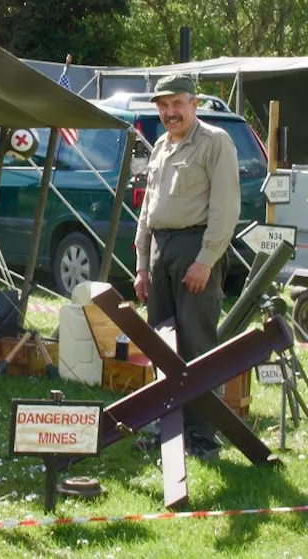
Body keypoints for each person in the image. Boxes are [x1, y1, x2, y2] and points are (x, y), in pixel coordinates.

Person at [133, 74, 241, 459]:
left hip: (196, 249)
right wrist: (142, 265)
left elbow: (225, 208)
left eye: (177, 103)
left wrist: (206, 260)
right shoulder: (161, 145)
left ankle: (201, 438)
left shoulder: (215, 142)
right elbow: (148, 210)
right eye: (162, 106)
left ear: (194, 104)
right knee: (162, 345)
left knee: (196, 346)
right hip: (161, 251)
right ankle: (167, 430)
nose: (169, 112)